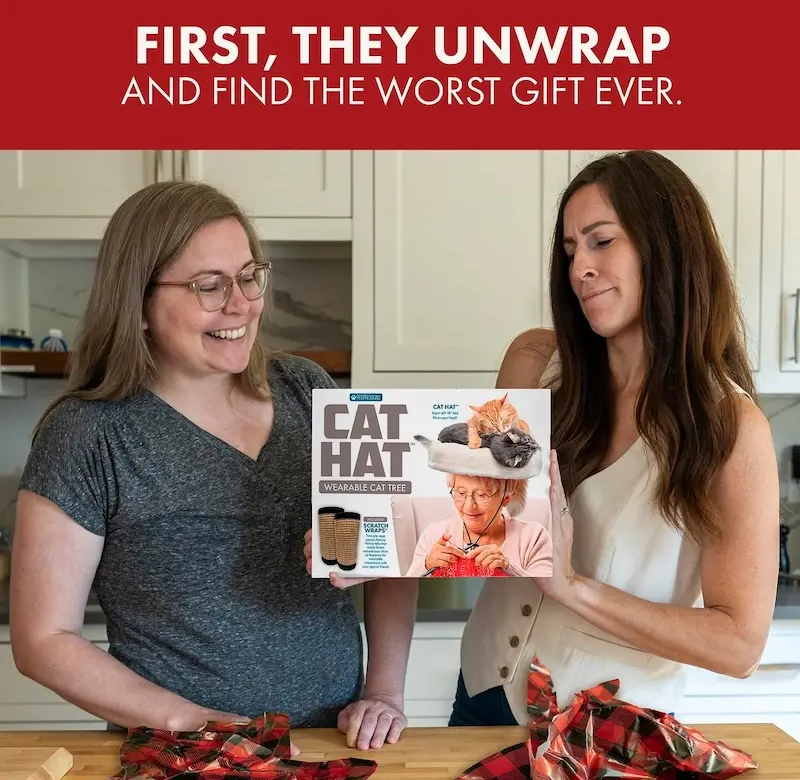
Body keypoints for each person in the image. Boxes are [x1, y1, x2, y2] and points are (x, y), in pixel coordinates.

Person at [9, 180, 417, 751]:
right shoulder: (88, 434)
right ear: (139, 303)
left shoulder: (308, 391)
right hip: (183, 754)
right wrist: (196, 723)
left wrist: (386, 692)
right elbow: (42, 639)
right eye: (209, 285)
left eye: (250, 276)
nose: (241, 304)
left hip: (337, 744)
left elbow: (395, 550)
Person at [448, 150, 780, 727]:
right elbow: (476, 526)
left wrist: (572, 587)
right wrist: (374, 546)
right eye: (572, 250)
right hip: (483, 694)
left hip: (611, 729)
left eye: (602, 241)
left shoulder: (730, 429)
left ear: (666, 247)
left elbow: (739, 645)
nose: (580, 269)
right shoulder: (534, 363)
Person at [404, 473, 553, 578]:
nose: (469, 506)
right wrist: (427, 565)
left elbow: (548, 594)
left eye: (481, 495)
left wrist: (509, 567)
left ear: (506, 498)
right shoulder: (434, 534)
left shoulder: (534, 537)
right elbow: (403, 590)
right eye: (461, 493)